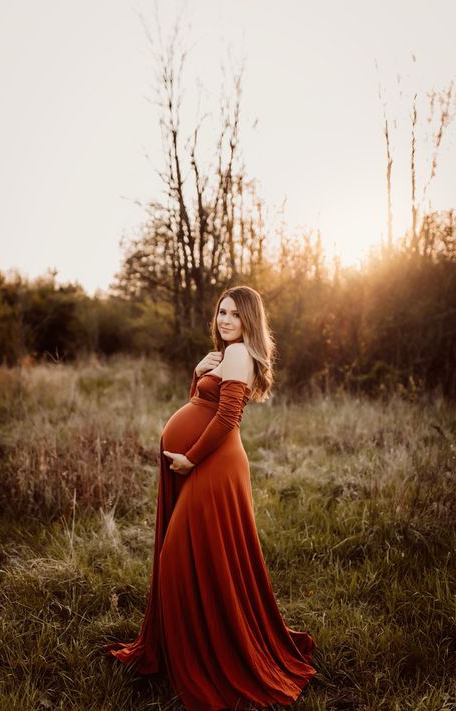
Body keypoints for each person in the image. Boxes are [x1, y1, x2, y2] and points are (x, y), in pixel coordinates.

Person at [105, 285, 316, 711]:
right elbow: (202, 403)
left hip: (213, 466)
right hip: (204, 461)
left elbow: (227, 417)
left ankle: (205, 657)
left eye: (235, 315)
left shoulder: (238, 355)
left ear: (249, 321)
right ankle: (192, 647)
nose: (225, 320)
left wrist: (191, 460)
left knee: (179, 557)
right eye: (221, 312)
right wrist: (197, 371)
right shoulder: (225, 355)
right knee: (204, 556)